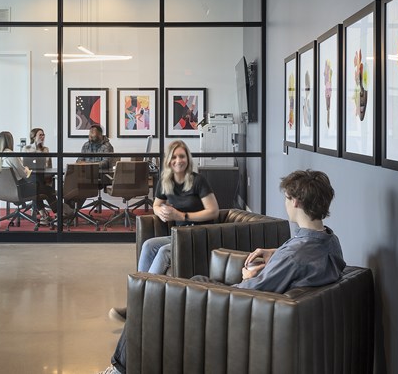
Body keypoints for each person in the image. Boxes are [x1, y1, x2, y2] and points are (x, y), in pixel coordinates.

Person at [98, 169, 345, 374]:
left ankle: (118, 369)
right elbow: (299, 260)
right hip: (259, 304)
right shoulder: (328, 240)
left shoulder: (294, 256)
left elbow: (254, 291)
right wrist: (275, 252)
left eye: (287, 198)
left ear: (296, 201)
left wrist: (252, 277)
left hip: (237, 309)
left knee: (149, 300)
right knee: (196, 280)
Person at [135, 139, 219, 274]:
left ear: (188, 159)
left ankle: (148, 289)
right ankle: (141, 285)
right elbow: (156, 204)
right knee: (148, 245)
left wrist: (182, 216)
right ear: (168, 160)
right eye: (174, 157)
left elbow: (213, 211)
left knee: (163, 251)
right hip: (179, 234)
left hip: (201, 234)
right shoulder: (165, 182)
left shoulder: (198, 180)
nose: (178, 160)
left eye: (182, 156)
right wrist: (160, 211)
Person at [22, 127, 64, 223]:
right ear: (33, 137)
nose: (42, 137)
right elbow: (24, 166)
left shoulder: (45, 149)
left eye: (43, 135)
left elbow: (49, 166)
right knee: (36, 184)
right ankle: (58, 213)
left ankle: (43, 214)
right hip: (31, 177)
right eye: (40, 135)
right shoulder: (26, 149)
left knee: (36, 187)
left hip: (43, 178)